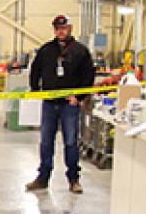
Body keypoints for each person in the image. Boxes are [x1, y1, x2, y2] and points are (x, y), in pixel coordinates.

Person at [27, 14, 97, 194]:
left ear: (70, 28)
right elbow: (35, 70)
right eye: (57, 28)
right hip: (49, 103)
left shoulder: (81, 51)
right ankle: (43, 178)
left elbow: (88, 76)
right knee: (46, 143)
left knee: (71, 143)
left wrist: (79, 98)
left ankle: (74, 179)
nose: (60, 31)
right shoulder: (46, 50)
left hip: (69, 105)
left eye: (63, 28)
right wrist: (36, 89)